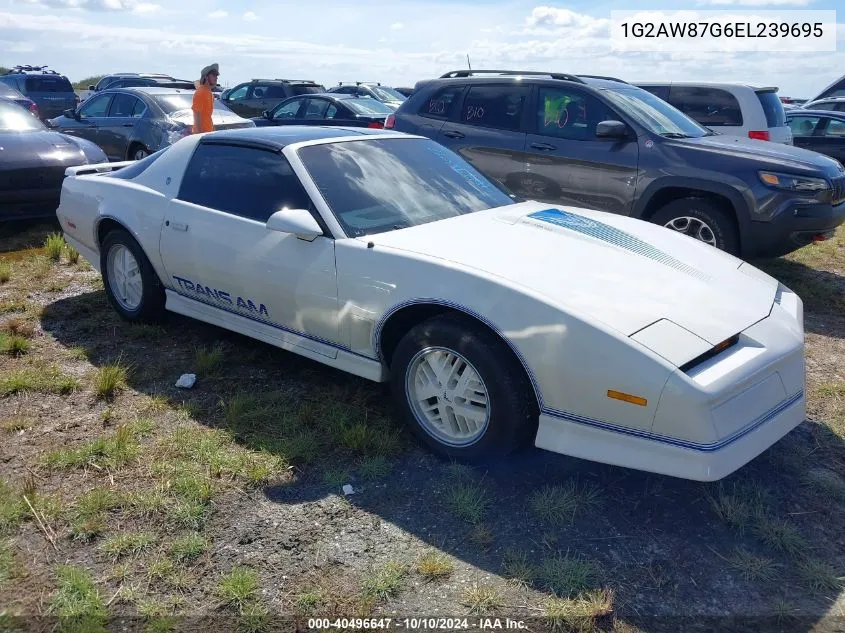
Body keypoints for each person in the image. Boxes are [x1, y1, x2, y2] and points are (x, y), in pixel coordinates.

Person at [192, 63, 219, 134]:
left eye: (216, 75)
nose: (216, 77)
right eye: (213, 75)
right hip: (201, 135)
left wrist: (213, 131)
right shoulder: (200, 92)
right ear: (206, 77)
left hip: (208, 134)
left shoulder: (209, 93)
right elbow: (197, 115)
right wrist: (200, 135)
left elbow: (207, 116)